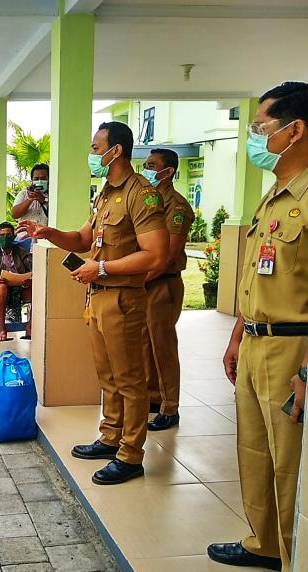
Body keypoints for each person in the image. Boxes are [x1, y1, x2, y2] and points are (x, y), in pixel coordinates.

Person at [207, 81, 308, 572]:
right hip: (258, 341)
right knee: (255, 453)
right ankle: (263, 542)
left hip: (294, 347)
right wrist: (238, 334)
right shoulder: (277, 191)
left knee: (290, 466)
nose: (256, 137)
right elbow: (255, 279)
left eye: (262, 127)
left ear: (296, 129)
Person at [22, 122, 168, 485]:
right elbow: (85, 238)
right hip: (98, 296)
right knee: (108, 376)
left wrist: (100, 267)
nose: (91, 152)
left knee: (131, 380)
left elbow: (156, 255)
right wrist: (50, 233)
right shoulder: (105, 194)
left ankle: (131, 454)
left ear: (115, 151)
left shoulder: (142, 193)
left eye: (95, 145)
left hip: (124, 298)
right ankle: (110, 436)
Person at [140, 149, 195, 431]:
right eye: (145, 164)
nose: (146, 169)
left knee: (162, 346)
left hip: (163, 282)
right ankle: (152, 398)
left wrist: (136, 279)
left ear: (169, 171)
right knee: (146, 344)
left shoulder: (177, 206)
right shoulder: (148, 201)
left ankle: (170, 407)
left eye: (152, 165)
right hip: (146, 281)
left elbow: (167, 256)